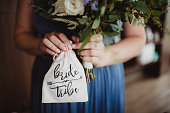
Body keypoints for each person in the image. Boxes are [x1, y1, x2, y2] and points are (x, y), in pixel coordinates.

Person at [14, 0, 146, 113]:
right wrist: (40, 45)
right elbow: (21, 34)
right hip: (53, 78)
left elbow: (138, 39)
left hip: (102, 77)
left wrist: (104, 55)